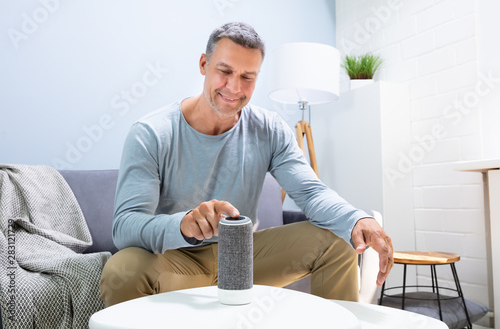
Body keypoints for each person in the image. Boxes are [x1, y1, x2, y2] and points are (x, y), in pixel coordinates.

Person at [99, 22, 393, 307]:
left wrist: (357, 220)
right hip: (176, 260)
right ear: (204, 64)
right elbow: (125, 226)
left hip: (244, 257)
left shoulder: (270, 129)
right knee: (122, 268)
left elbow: (311, 193)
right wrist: (184, 223)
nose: (234, 87)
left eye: (247, 77)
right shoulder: (151, 133)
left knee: (338, 238)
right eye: (224, 71)